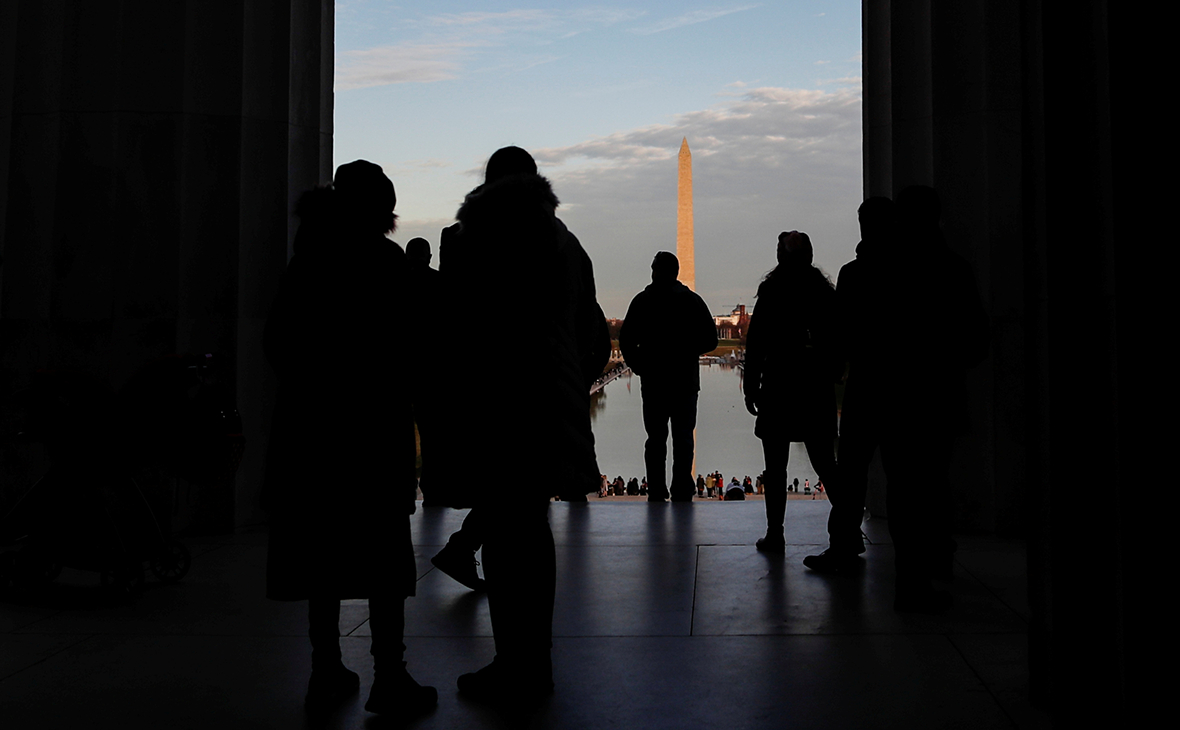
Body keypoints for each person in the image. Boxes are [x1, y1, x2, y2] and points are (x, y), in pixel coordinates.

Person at [432, 146, 609, 707]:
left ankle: (515, 663)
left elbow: (450, 329)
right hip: (547, 403)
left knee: (506, 543)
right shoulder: (565, 243)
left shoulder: (468, 241)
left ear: (486, 185)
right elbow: (594, 339)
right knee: (532, 532)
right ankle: (537, 662)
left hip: (492, 402)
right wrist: (565, 381)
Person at [261, 161, 436, 718]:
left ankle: (325, 668)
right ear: (381, 210)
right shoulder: (386, 266)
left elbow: (276, 344)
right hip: (370, 428)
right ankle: (389, 674)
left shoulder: (305, 265)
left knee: (321, 552)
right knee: (383, 556)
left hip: (311, 429)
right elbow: (416, 350)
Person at [817, 187, 989, 612]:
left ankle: (846, 550)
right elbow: (975, 343)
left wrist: (838, 367)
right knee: (916, 485)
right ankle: (921, 572)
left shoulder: (861, 273)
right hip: (920, 394)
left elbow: (839, 337)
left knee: (858, 474)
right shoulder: (946, 269)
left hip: (869, 390)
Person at [744, 231, 840, 553]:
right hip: (814, 386)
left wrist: (751, 384)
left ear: (781, 257)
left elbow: (756, 342)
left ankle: (775, 533)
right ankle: (846, 534)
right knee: (826, 463)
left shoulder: (772, 291)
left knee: (775, 467)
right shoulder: (823, 292)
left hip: (780, 385)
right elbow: (839, 339)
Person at [619, 252, 718, 501]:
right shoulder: (692, 301)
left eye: (654, 268)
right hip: (684, 381)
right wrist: (686, 351)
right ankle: (682, 489)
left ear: (661, 271)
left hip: (654, 382)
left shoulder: (642, 302)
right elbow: (710, 339)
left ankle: (657, 489)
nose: (652, 273)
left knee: (656, 439)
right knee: (683, 438)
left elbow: (627, 340)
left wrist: (640, 365)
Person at [405, 237, 444, 507]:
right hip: (432, 371)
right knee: (432, 436)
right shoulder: (440, 283)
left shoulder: (393, 282)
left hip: (401, 369)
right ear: (429, 257)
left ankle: (405, 489)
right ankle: (432, 489)